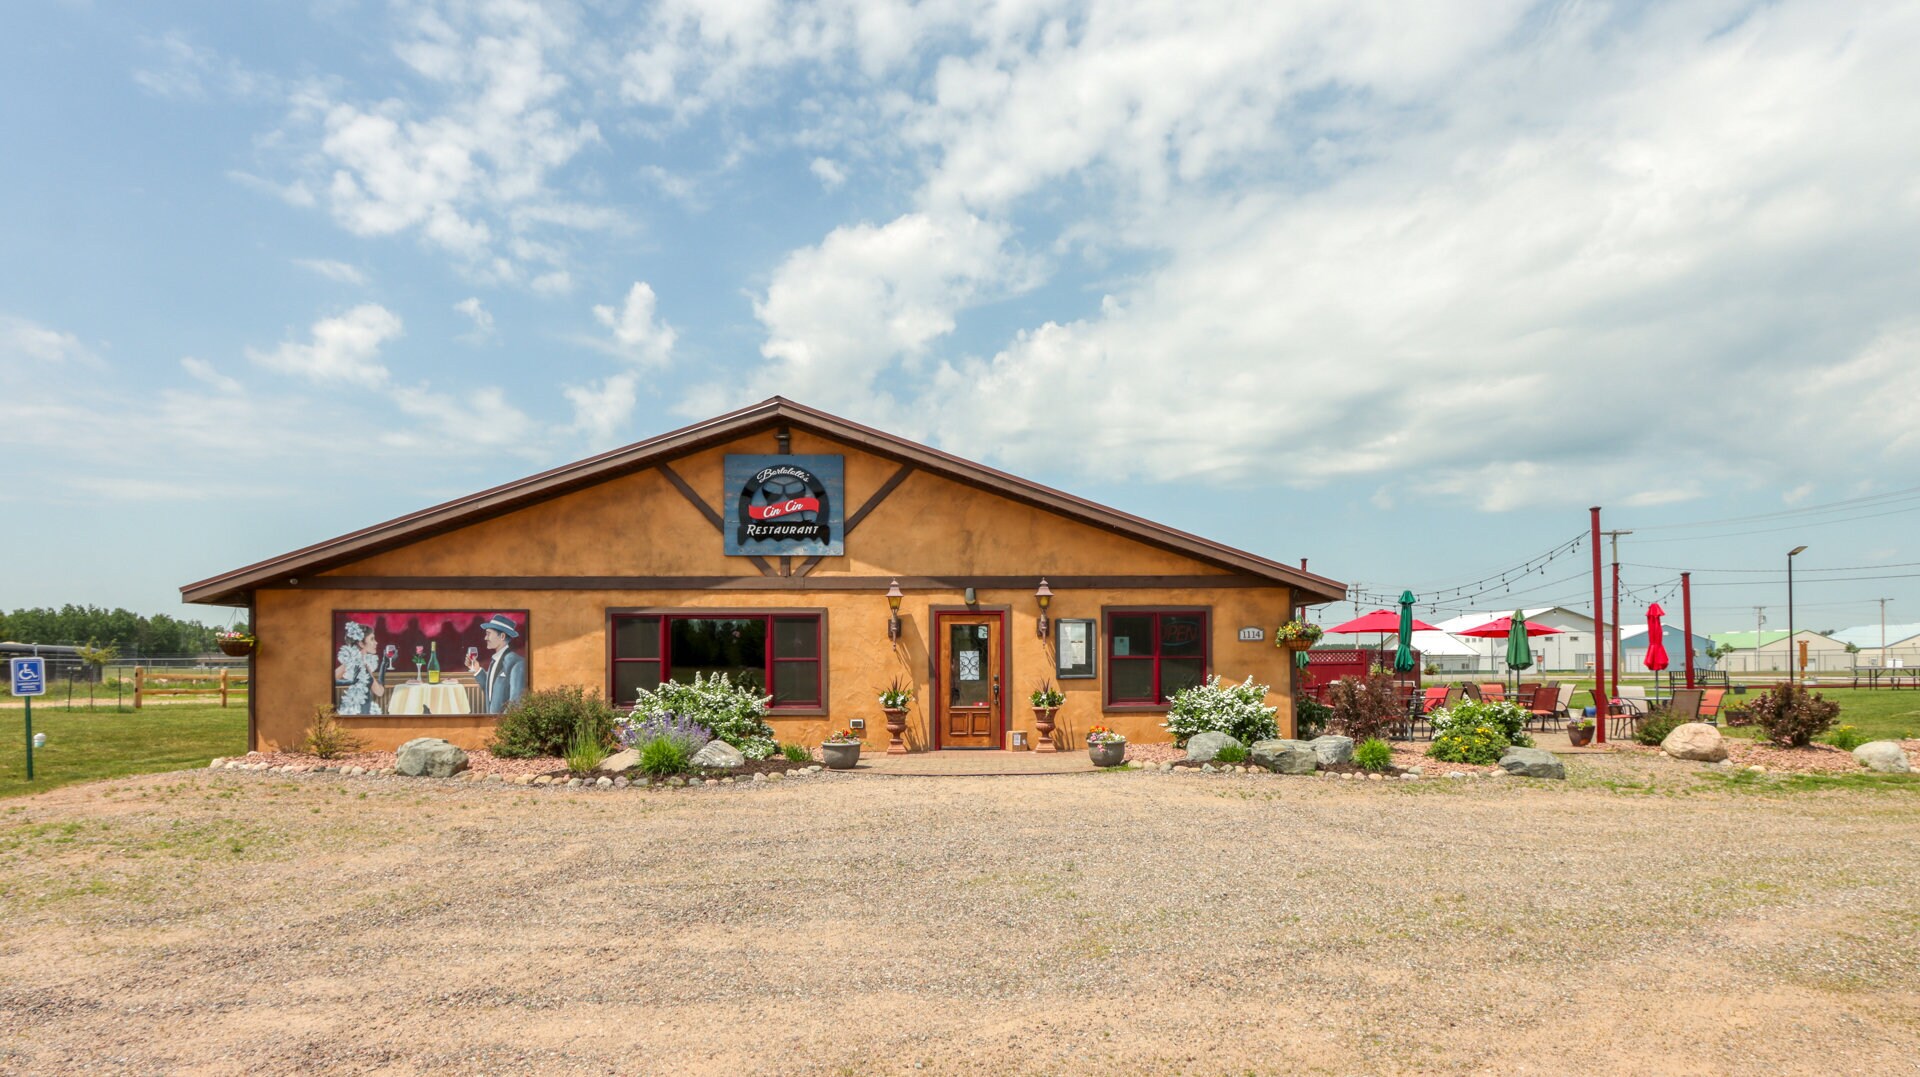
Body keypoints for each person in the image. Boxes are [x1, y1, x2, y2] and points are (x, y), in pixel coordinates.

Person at [466, 614, 526, 713]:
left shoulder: (517, 663)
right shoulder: (495, 660)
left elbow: (516, 703)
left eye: (488, 634)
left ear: (502, 636)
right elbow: (490, 689)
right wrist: (477, 669)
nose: (485, 638)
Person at [334, 621, 386, 715]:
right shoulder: (350, 663)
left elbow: (379, 692)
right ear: (361, 644)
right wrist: (349, 682)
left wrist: (384, 664)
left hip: (367, 711)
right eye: (372, 639)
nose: (376, 642)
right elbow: (328, 680)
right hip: (355, 711)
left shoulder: (366, 665)